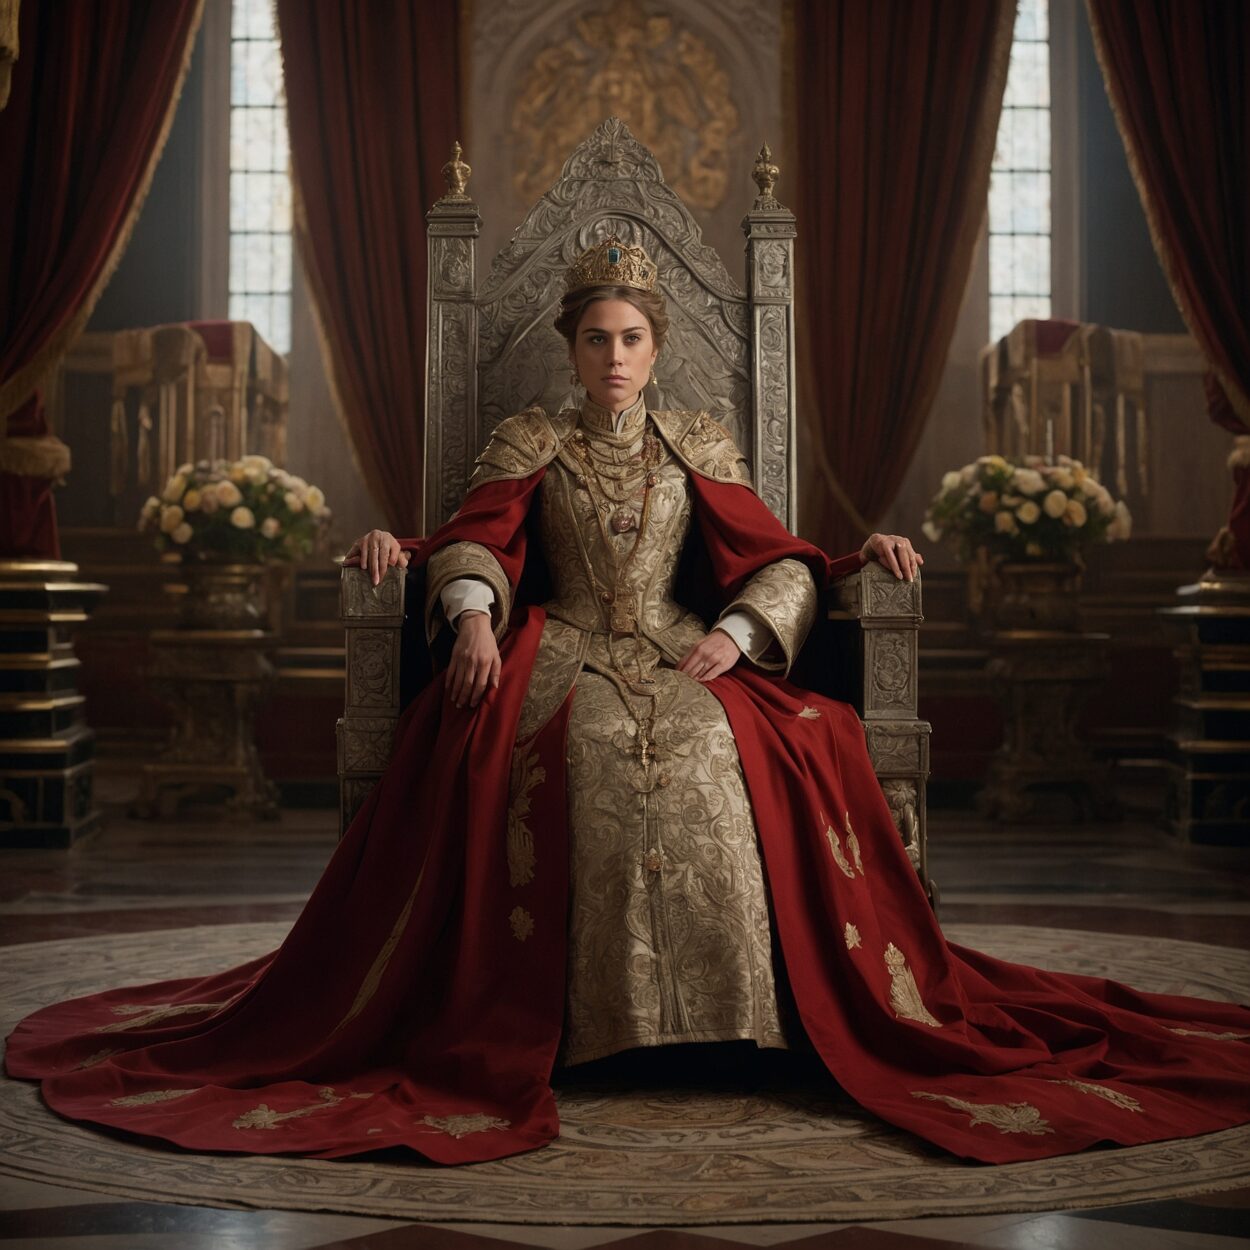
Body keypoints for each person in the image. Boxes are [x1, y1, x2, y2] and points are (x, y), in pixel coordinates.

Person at [7, 239, 1249, 1169]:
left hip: (680, 646)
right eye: (595, 338)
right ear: (570, 347)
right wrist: (477, 617)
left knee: (732, 757)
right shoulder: (525, 437)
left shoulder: (698, 442)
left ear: (658, 349)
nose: (612, 358)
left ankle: (730, 1028)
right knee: (585, 756)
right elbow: (476, 544)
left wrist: (743, 628)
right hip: (555, 651)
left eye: (631, 340)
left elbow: (770, 552)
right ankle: (580, 1028)